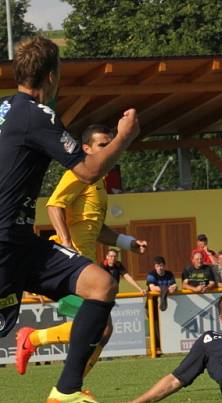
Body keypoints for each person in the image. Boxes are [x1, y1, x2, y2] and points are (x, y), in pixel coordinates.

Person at [3, 36, 139, 403]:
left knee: (100, 284)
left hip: (20, 239)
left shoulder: (4, 109)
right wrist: (124, 136)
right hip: (5, 241)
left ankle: (67, 389)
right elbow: (90, 168)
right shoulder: (36, 114)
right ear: (51, 76)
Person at [16, 123, 148, 379]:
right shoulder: (79, 174)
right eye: (102, 145)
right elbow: (54, 205)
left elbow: (96, 228)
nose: (108, 149)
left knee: (102, 330)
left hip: (83, 267)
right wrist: (65, 242)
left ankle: (72, 383)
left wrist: (126, 242)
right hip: (66, 266)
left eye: (110, 144)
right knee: (101, 327)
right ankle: (35, 342)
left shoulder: (99, 184)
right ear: (86, 149)